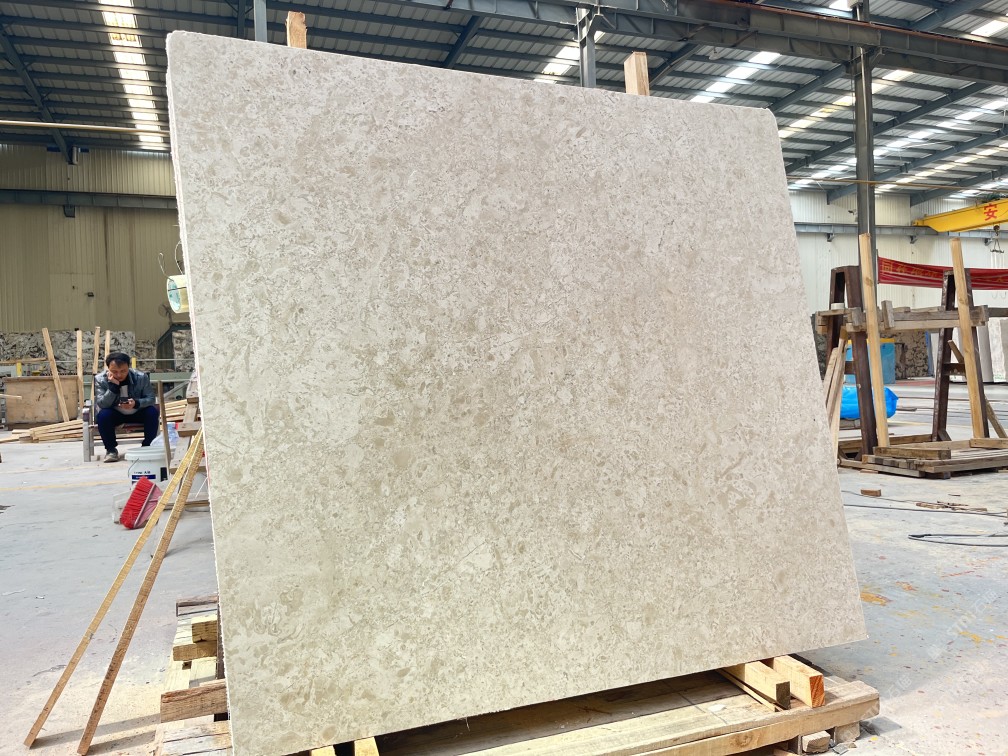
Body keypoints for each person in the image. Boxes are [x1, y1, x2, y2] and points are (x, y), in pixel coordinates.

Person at [93, 352, 158, 463]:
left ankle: (147, 446)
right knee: (103, 415)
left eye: (123, 371)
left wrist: (136, 403)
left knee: (152, 412)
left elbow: (151, 398)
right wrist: (113, 387)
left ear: (129, 367)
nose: (119, 375)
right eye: (114, 371)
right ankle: (111, 450)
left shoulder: (141, 377)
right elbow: (102, 404)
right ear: (108, 368)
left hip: (137, 411)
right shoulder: (100, 379)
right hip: (115, 413)